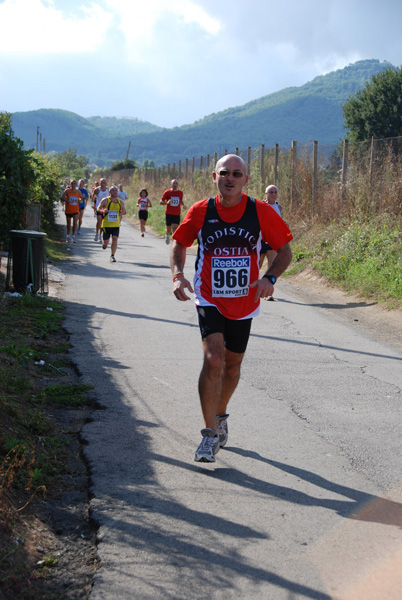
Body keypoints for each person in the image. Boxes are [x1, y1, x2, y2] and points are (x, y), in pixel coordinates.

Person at [170, 154, 293, 463]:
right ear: (215, 177)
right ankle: (209, 435)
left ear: (245, 180)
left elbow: (285, 250)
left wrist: (270, 277)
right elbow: (179, 243)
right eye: (224, 173)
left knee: (233, 366)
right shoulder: (201, 211)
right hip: (209, 296)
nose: (230, 178)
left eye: (237, 174)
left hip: (244, 300)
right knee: (214, 360)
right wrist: (177, 276)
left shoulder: (261, 211)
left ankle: (221, 414)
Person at [98, 185, 126, 262]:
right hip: (106, 224)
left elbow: (124, 211)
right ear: (109, 192)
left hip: (116, 225)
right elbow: (98, 208)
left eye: (116, 191)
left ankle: (112, 256)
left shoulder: (120, 202)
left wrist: (123, 212)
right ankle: (105, 244)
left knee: (115, 239)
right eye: (113, 191)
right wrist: (103, 211)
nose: (115, 192)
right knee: (106, 242)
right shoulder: (105, 200)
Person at [160, 179, 186, 244]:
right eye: (173, 183)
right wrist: (167, 202)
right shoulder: (167, 192)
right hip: (169, 213)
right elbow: (160, 202)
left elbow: (180, 200)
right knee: (168, 228)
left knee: (175, 227)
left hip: (177, 213)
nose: (175, 185)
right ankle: (167, 235)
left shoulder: (180, 193)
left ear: (178, 185)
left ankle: (174, 241)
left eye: (176, 183)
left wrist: (183, 205)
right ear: (171, 184)